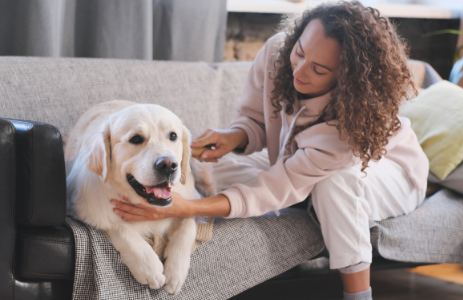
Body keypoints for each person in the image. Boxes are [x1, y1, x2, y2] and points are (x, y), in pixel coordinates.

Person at [111, 1, 429, 299]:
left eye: (319, 70)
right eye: (300, 52)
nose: (299, 72)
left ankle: (359, 294)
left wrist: (189, 209)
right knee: (218, 168)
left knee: (335, 182)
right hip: (299, 161)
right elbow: (255, 118)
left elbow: (277, 186)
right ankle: (306, 198)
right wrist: (234, 136)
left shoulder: (343, 135)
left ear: (346, 79)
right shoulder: (279, 52)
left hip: (390, 171)